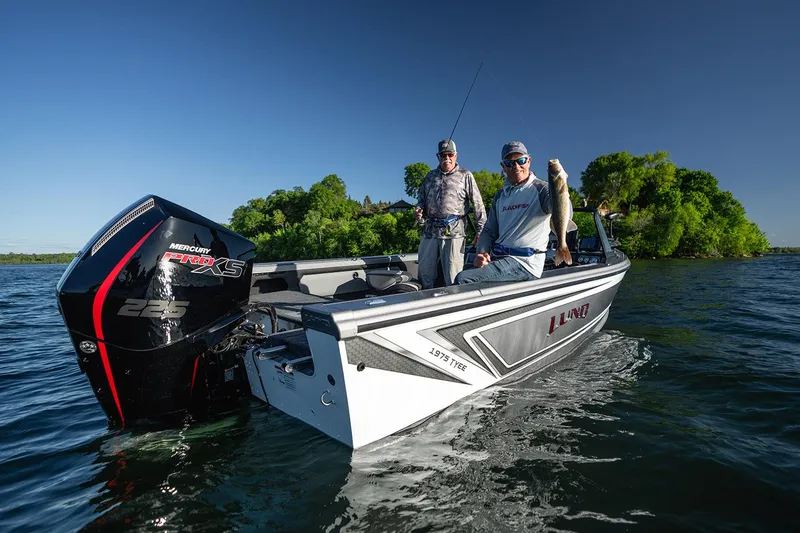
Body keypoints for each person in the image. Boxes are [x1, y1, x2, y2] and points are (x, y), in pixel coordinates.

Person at [453, 141, 572, 285]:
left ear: (529, 161)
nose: (516, 166)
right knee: (464, 270)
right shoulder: (500, 196)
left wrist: (560, 186)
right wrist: (481, 252)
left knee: (463, 279)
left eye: (521, 161)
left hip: (525, 262)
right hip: (499, 257)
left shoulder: (543, 190)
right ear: (503, 166)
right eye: (509, 163)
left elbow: (565, 212)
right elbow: (489, 231)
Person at [415, 139, 487, 289]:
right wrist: (419, 210)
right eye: (443, 155)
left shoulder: (465, 175)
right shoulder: (430, 176)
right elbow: (421, 201)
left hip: (454, 233)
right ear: (438, 157)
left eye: (450, 154)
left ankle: (455, 301)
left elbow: (478, 204)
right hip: (429, 232)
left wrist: (481, 231)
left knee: (453, 276)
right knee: (424, 273)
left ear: (456, 155)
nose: (447, 158)